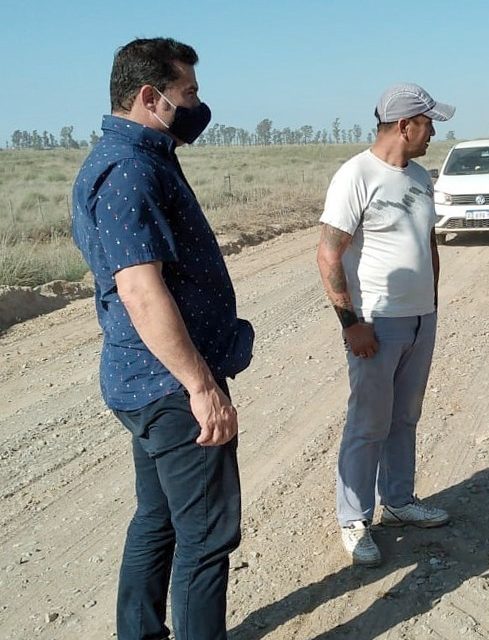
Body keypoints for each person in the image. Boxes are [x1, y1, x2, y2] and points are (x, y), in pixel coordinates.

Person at [71, 37, 254, 640]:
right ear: (151, 97)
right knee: (205, 535)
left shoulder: (142, 157)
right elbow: (141, 293)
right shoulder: (129, 172)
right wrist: (201, 387)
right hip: (170, 386)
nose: (199, 106)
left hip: (147, 381)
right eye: (189, 93)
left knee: (159, 519)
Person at [316, 83, 454, 566]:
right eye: (429, 122)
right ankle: (354, 519)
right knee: (368, 423)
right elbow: (329, 253)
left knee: (405, 418)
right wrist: (351, 323)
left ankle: (398, 502)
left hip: (420, 320)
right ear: (404, 125)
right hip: (376, 321)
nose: (434, 131)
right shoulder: (356, 175)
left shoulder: (420, 176)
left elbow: (428, 242)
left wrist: (431, 303)